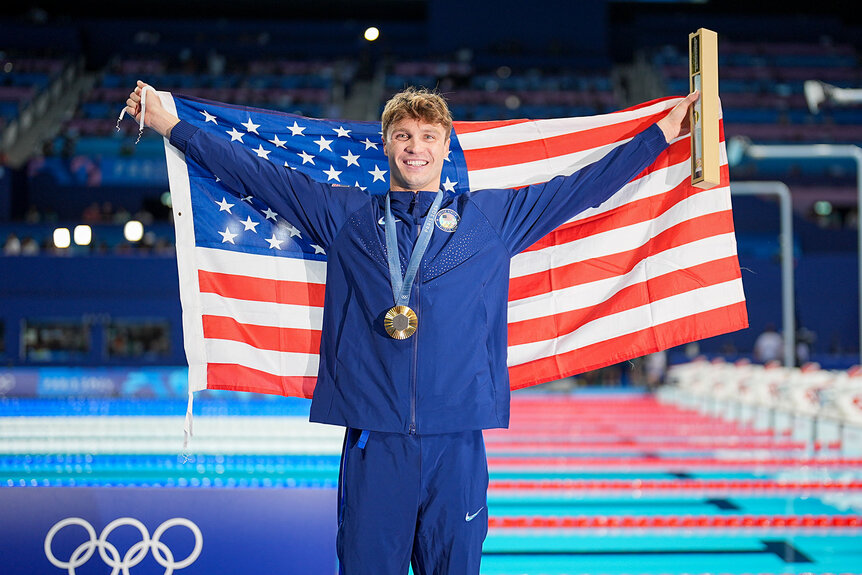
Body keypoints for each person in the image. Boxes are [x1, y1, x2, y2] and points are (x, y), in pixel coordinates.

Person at [124, 80, 698, 575]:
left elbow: (582, 188)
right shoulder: (346, 217)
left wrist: (660, 136)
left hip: (458, 442)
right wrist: (172, 124)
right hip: (376, 443)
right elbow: (257, 173)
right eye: (403, 135)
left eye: (427, 136)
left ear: (446, 147)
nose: (415, 147)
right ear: (386, 145)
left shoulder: (490, 220)